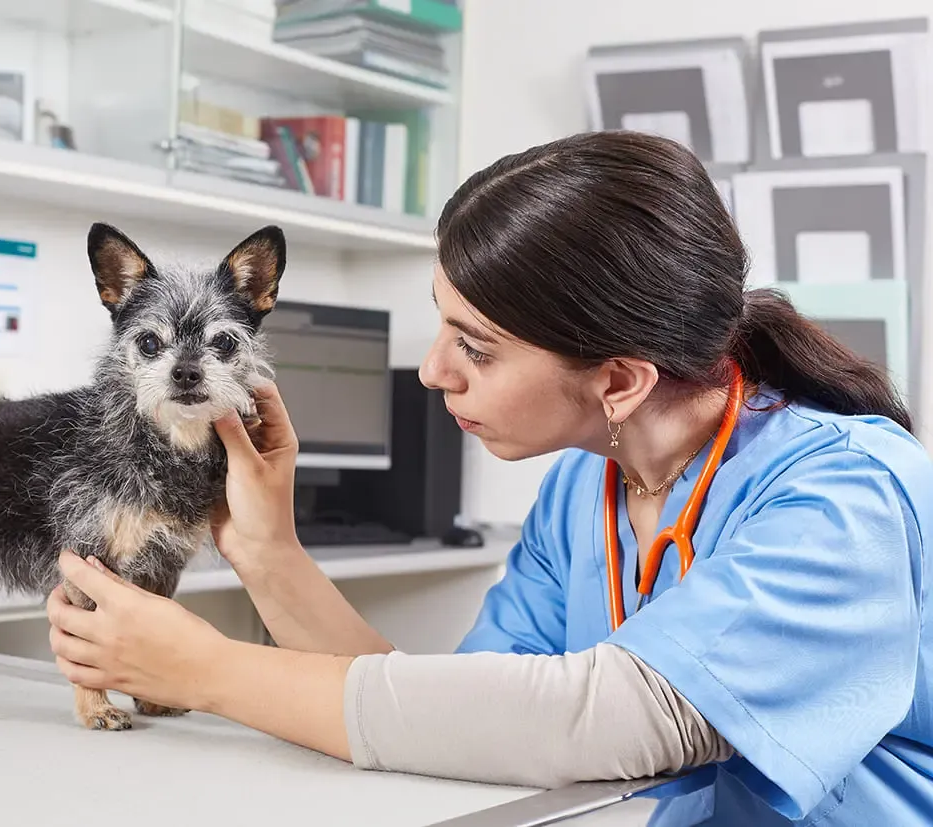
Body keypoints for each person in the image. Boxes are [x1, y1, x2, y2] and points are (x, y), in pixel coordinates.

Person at [45, 130, 933, 826]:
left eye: (474, 348)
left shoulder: (845, 497)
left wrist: (207, 670)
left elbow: (617, 718)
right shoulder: (585, 490)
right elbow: (455, 720)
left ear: (620, 380)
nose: (433, 371)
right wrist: (268, 548)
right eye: (443, 326)